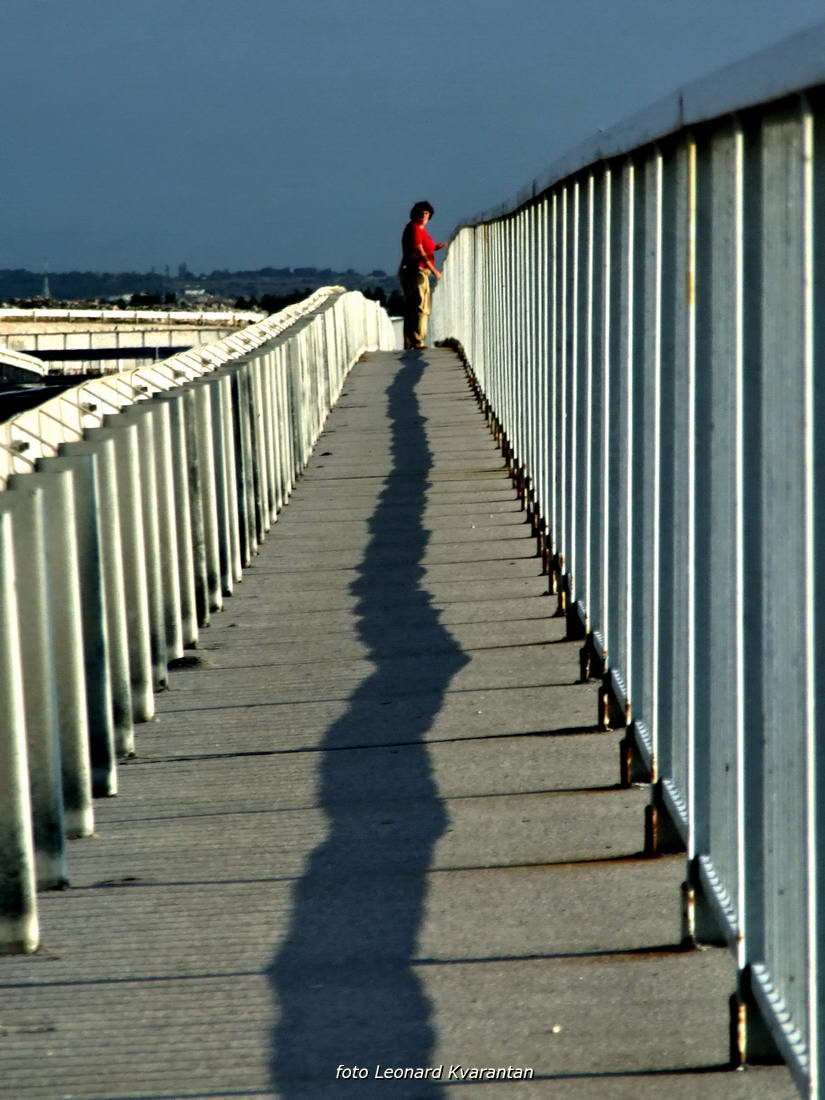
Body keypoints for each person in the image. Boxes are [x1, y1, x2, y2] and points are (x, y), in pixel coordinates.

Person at [398, 201, 447, 349]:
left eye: (426, 213)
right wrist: (434, 270)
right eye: (421, 212)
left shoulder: (418, 229)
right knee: (421, 306)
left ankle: (411, 342)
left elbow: (424, 248)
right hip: (416, 271)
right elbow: (419, 251)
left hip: (413, 270)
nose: (424, 215)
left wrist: (436, 247)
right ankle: (418, 341)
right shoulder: (415, 228)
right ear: (415, 213)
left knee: (413, 307)